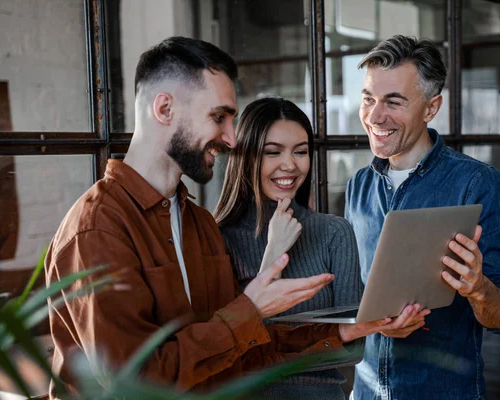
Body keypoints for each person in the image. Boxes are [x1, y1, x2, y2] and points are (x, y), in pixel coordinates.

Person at [44, 37, 427, 398]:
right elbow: (134, 383)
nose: (231, 138)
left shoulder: (198, 223)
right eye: (219, 117)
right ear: (164, 109)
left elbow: (239, 348)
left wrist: (348, 330)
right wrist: (252, 308)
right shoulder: (97, 229)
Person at [345, 35, 500, 400]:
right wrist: (372, 323)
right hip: (363, 392)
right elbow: (356, 298)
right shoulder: (358, 186)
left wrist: (478, 288)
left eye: (393, 102)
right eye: (368, 99)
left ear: (431, 109)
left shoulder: (478, 184)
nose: (375, 116)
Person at [214, 97, 364, 399]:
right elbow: (227, 351)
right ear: (246, 157)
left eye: (301, 152)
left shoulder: (335, 233)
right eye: (273, 152)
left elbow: (354, 349)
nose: (290, 165)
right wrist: (273, 257)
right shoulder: (217, 238)